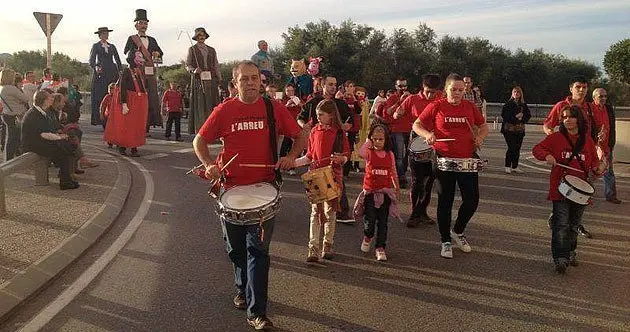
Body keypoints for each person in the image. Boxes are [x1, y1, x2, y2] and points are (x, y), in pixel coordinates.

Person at [192, 61, 306, 330]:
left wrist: (291, 156)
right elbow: (199, 141)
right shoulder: (225, 110)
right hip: (230, 191)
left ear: (261, 81)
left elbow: (300, 135)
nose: (251, 83)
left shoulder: (272, 107)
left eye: (255, 78)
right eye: (245, 79)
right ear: (235, 83)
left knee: (258, 252)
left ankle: (257, 313)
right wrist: (209, 164)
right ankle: (242, 289)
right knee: (236, 251)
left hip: (264, 191)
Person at [413, 73, 489, 259]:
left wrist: (480, 137)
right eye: (453, 89)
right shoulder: (437, 106)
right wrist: (427, 135)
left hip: (467, 159)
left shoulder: (470, 106)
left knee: (472, 201)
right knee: (445, 202)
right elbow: (417, 125)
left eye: (460, 90)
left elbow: (484, 126)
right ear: (446, 90)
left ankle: (458, 231)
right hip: (443, 160)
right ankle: (445, 240)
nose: (457, 93)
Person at [532, 105, 607, 274]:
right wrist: (547, 156)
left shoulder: (587, 140)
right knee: (561, 225)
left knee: (574, 225)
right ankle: (560, 258)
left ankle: (571, 251)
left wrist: (600, 168)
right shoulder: (556, 138)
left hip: (581, 191)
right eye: (564, 117)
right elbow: (537, 149)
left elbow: (594, 164)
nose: (567, 120)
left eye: (571, 117)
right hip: (560, 189)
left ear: (578, 119)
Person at [294, 99, 350, 263]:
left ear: (331, 115)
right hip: (315, 177)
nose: (318, 118)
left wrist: (342, 159)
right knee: (315, 213)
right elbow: (309, 156)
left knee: (330, 212)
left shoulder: (339, 133)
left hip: (332, 177)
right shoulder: (314, 131)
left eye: (321, 115)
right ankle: (313, 248)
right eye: (317, 115)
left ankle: (328, 244)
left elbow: (346, 154)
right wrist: (293, 162)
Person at [542, 75, 595, 238]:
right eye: (578, 87)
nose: (581, 90)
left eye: (584, 87)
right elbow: (547, 125)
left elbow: (594, 130)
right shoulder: (561, 106)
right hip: (566, 156)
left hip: (584, 154)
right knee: (563, 191)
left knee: (583, 191)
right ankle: (560, 218)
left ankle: (575, 222)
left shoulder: (589, 108)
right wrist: (552, 138)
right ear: (571, 88)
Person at [297, 75, 354, 223]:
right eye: (330, 84)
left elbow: (351, 121)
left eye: (335, 84)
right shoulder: (313, 102)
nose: (333, 87)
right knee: (317, 209)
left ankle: (340, 212)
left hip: (335, 150)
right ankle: (318, 230)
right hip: (316, 147)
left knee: (336, 183)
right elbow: (300, 117)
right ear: (322, 85)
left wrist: (346, 127)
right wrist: (304, 125)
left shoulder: (341, 104)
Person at [401, 74, 442, 226]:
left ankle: (422, 211)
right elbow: (397, 113)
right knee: (417, 179)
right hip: (417, 141)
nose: (430, 95)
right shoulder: (412, 99)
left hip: (434, 142)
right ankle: (414, 213)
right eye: (427, 91)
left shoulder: (441, 99)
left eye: (433, 92)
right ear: (422, 87)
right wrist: (399, 112)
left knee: (430, 180)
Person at [354, 123, 399, 261]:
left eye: (381, 139)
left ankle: (380, 247)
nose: (378, 142)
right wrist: (368, 141)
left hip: (385, 194)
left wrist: (396, 188)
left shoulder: (389, 154)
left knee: (383, 222)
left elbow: (393, 172)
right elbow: (360, 152)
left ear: (386, 140)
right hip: (370, 193)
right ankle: (368, 236)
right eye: (375, 139)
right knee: (370, 220)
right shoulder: (369, 153)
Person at [22, 90, 78, 190]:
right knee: (63, 152)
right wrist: (59, 137)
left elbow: (46, 131)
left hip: (40, 141)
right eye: (50, 98)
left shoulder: (40, 111)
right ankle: (65, 182)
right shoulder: (35, 115)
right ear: (44, 101)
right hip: (34, 145)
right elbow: (44, 134)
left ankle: (67, 179)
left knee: (65, 147)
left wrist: (59, 136)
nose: (52, 99)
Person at [123, 9, 164, 133]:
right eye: (141, 23)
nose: (143, 26)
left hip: (150, 73)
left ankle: (148, 124)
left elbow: (160, 53)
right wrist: (135, 55)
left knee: (151, 97)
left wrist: (157, 54)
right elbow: (126, 53)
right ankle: (137, 122)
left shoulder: (152, 40)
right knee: (139, 97)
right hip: (137, 72)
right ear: (136, 25)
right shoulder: (132, 39)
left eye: (145, 23)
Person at [106, 51, 149, 157]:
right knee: (125, 125)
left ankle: (134, 147)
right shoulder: (126, 71)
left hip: (137, 101)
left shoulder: (138, 72)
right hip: (129, 100)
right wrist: (124, 103)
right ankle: (122, 146)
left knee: (136, 125)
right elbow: (123, 88)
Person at [378, 78, 413, 189]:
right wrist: (399, 102)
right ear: (396, 86)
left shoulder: (411, 97)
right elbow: (387, 112)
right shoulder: (393, 98)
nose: (402, 88)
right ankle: (401, 177)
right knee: (399, 155)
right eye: (400, 86)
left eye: (404, 86)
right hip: (397, 129)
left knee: (407, 154)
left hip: (409, 129)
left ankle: (401, 174)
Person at [186, 27, 222, 134]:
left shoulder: (212, 50)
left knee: (212, 104)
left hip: (211, 80)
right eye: (199, 36)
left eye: (203, 35)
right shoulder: (192, 49)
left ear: (205, 37)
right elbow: (187, 65)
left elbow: (216, 65)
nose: (201, 37)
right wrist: (194, 70)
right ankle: (201, 130)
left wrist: (219, 78)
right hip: (198, 80)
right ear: (196, 38)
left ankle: (213, 129)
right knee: (200, 105)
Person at [591, 88, 621, 204]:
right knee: (589, 172)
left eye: (605, 96)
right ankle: (585, 195)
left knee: (609, 172)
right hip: (593, 146)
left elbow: (612, 127)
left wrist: (611, 143)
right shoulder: (589, 109)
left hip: (607, 146)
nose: (603, 98)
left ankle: (611, 195)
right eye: (600, 96)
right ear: (594, 98)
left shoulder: (608, 108)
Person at [89, 26, 122, 127]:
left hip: (112, 71)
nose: (106, 35)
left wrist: (120, 70)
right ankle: (101, 118)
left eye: (106, 33)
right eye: (103, 33)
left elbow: (117, 59)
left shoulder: (112, 46)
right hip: (101, 72)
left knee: (113, 93)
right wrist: (96, 67)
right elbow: (91, 60)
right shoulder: (96, 46)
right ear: (100, 35)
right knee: (101, 94)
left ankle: (115, 117)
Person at [0, 69, 29, 161]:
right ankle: (9, 160)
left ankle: (9, 159)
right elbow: (26, 98)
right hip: (14, 115)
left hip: (6, 113)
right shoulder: (10, 88)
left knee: (11, 138)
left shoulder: (2, 88)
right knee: (13, 139)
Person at [501, 86, 531, 174]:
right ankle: (507, 166)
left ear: (520, 94)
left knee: (517, 148)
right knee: (511, 147)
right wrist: (515, 117)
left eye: (518, 92)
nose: (516, 94)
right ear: (512, 93)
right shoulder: (508, 104)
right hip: (509, 129)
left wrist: (522, 118)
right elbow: (505, 116)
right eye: (514, 92)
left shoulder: (523, 105)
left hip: (519, 130)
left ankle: (515, 166)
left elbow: (528, 115)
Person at [100, 83, 116, 148]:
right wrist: (101, 114)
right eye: (111, 88)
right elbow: (103, 106)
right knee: (109, 130)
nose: (112, 90)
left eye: (113, 88)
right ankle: (110, 142)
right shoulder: (107, 97)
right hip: (108, 116)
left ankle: (117, 141)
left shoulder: (118, 96)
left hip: (115, 116)